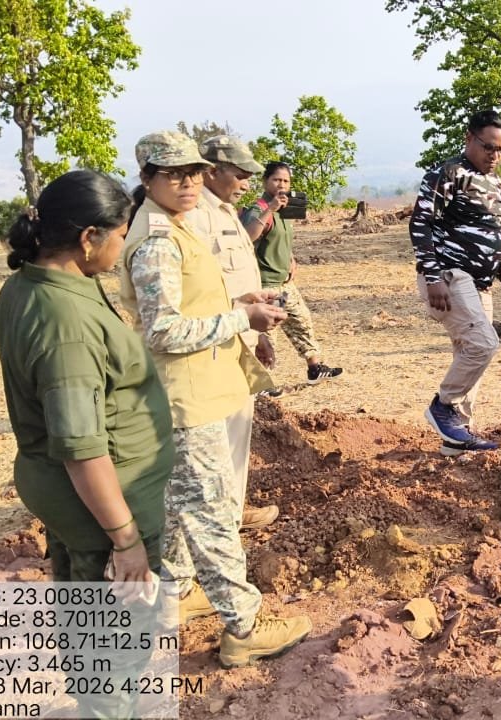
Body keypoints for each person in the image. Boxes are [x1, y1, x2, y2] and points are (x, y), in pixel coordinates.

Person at [120, 130, 311, 668]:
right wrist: (241, 317)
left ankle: (179, 592)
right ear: (148, 179)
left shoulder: (173, 227)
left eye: (194, 171)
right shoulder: (158, 239)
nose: (187, 182)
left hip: (195, 389)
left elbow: (188, 298)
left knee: (183, 507)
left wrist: (235, 297)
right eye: (173, 173)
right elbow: (162, 330)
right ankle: (243, 627)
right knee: (210, 512)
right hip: (187, 395)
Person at [0, 170, 172, 717]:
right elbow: (82, 446)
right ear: (89, 237)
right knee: (119, 639)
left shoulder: (29, 284)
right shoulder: (65, 324)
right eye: (121, 235)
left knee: (84, 614)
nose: (124, 247)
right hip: (105, 503)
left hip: (71, 500)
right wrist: (127, 541)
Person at [409, 109, 501, 456]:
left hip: (481, 284)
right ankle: (442, 407)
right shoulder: (448, 173)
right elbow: (421, 224)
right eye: (488, 147)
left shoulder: (494, 184)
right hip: (450, 275)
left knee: (470, 353)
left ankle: (458, 438)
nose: (494, 156)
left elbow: (497, 239)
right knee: (484, 344)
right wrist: (433, 277)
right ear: (469, 139)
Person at [186, 135, 279, 531]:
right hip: (213, 339)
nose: (246, 182)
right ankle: (216, 519)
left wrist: (259, 332)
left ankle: (231, 508)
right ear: (211, 171)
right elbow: (200, 287)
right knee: (217, 432)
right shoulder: (194, 217)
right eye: (239, 174)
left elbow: (239, 278)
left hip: (240, 333)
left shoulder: (225, 212)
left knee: (238, 425)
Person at [241, 162, 342, 386]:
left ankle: (315, 367)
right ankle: (262, 386)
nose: (282, 185)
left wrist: (290, 258)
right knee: (267, 337)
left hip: (285, 283)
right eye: (277, 180)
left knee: (301, 321)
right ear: (265, 181)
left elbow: (281, 240)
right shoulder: (258, 209)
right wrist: (270, 209)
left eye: (286, 181)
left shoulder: (286, 210)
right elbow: (248, 237)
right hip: (266, 284)